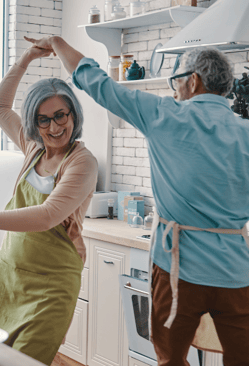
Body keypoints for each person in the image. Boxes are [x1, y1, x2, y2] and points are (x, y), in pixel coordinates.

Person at [25, 35, 249, 366]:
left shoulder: (165, 114)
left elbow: (96, 81)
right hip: (236, 271)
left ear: (194, 81)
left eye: (177, 80)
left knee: (170, 359)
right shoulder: (245, 132)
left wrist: (58, 43)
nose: (174, 89)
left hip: (178, 270)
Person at [0, 45, 98, 365]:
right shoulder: (33, 147)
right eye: (44, 120)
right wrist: (26, 59)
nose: (54, 128)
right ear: (34, 122)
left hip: (50, 288)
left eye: (61, 116)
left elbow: (48, 216)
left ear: (73, 114)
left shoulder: (81, 162)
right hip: (7, 278)